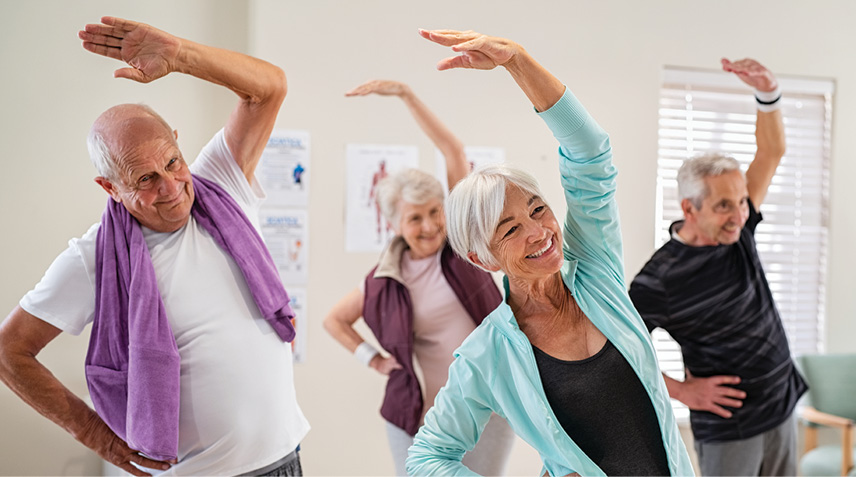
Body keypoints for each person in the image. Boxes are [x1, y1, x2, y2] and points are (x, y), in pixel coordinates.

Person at [0, 17, 308, 476]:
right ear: (110, 187)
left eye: (172, 162)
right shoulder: (94, 257)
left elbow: (270, 88)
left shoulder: (220, 184)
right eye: (145, 179)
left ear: (180, 147)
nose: (172, 188)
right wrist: (94, 435)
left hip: (287, 460)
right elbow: (10, 351)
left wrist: (181, 55)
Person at [406, 29, 694, 477]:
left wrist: (516, 60)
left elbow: (591, 153)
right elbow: (425, 458)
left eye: (538, 209)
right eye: (510, 229)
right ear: (483, 258)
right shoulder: (488, 353)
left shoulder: (596, 273)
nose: (539, 231)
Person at [324, 79, 515, 476]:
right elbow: (334, 320)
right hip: (416, 419)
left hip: (486, 407)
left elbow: (453, 151)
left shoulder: (463, 249)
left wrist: (407, 96)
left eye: (435, 211)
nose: (429, 226)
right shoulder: (383, 279)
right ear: (394, 224)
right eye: (415, 217)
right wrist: (373, 359)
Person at [629, 59, 806, 476]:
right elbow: (619, 349)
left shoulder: (738, 230)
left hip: (782, 404)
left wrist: (768, 92)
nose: (739, 214)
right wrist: (682, 392)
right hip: (732, 428)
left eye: (742, 201)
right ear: (688, 208)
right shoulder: (659, 279)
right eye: (724, 205)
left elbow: (771, 151)